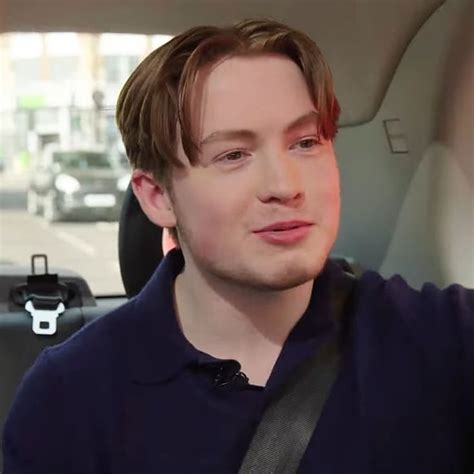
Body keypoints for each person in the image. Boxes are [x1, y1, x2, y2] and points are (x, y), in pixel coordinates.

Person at [3, 18, 474, 474]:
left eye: (306, 142)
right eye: (233, 155)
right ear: (158, 197)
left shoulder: (442, 338)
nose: (285, 185)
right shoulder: (70, 398)